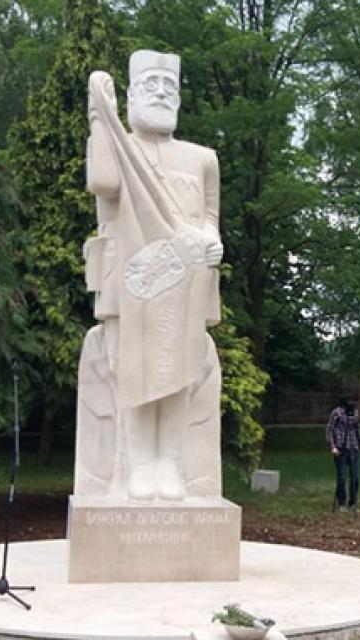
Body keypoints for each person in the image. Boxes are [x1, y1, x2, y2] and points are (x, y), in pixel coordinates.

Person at [75, 50, 224, 501]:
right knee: (134, 370)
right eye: (150, 85)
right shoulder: (119, 147)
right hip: (131, 279)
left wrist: (211, 239)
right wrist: (99, 115)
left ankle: (170, 462)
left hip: (185, 282)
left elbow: (210, 216)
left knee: (180, 372)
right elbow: (104, 184)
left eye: (169, 87)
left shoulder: (202, 158)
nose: (161, 93)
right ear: (132, 95)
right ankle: (140, 463)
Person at [326, 398, 360, 512]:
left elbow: (357, 429)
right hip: (340, 448)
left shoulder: (355, 412)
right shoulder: (336, 413)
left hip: (353, 447)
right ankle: (342, 502)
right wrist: (333, 446)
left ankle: (353, 502)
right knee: (342, 477)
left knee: (355, 477)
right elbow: (330, 430)